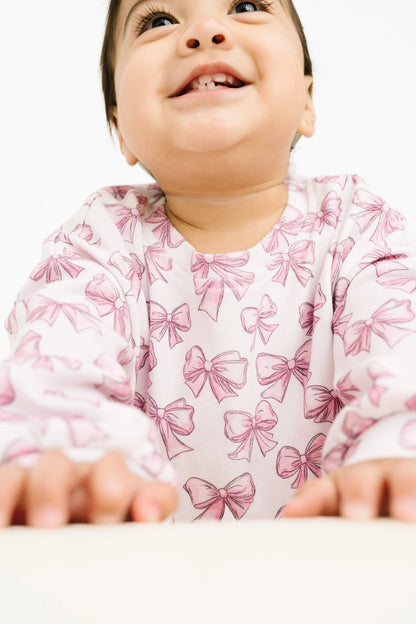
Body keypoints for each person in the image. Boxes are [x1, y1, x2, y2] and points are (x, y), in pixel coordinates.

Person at [1, 0, 416, 528]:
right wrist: (65, 461)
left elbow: (403, 354)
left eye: (245, 6)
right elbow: (55, 364)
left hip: (334, 569)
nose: (204, 31)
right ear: (120, 128)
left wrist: (397, 449)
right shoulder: (99, 239)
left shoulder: (357, 224)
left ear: (307, 102)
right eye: (158, 21)